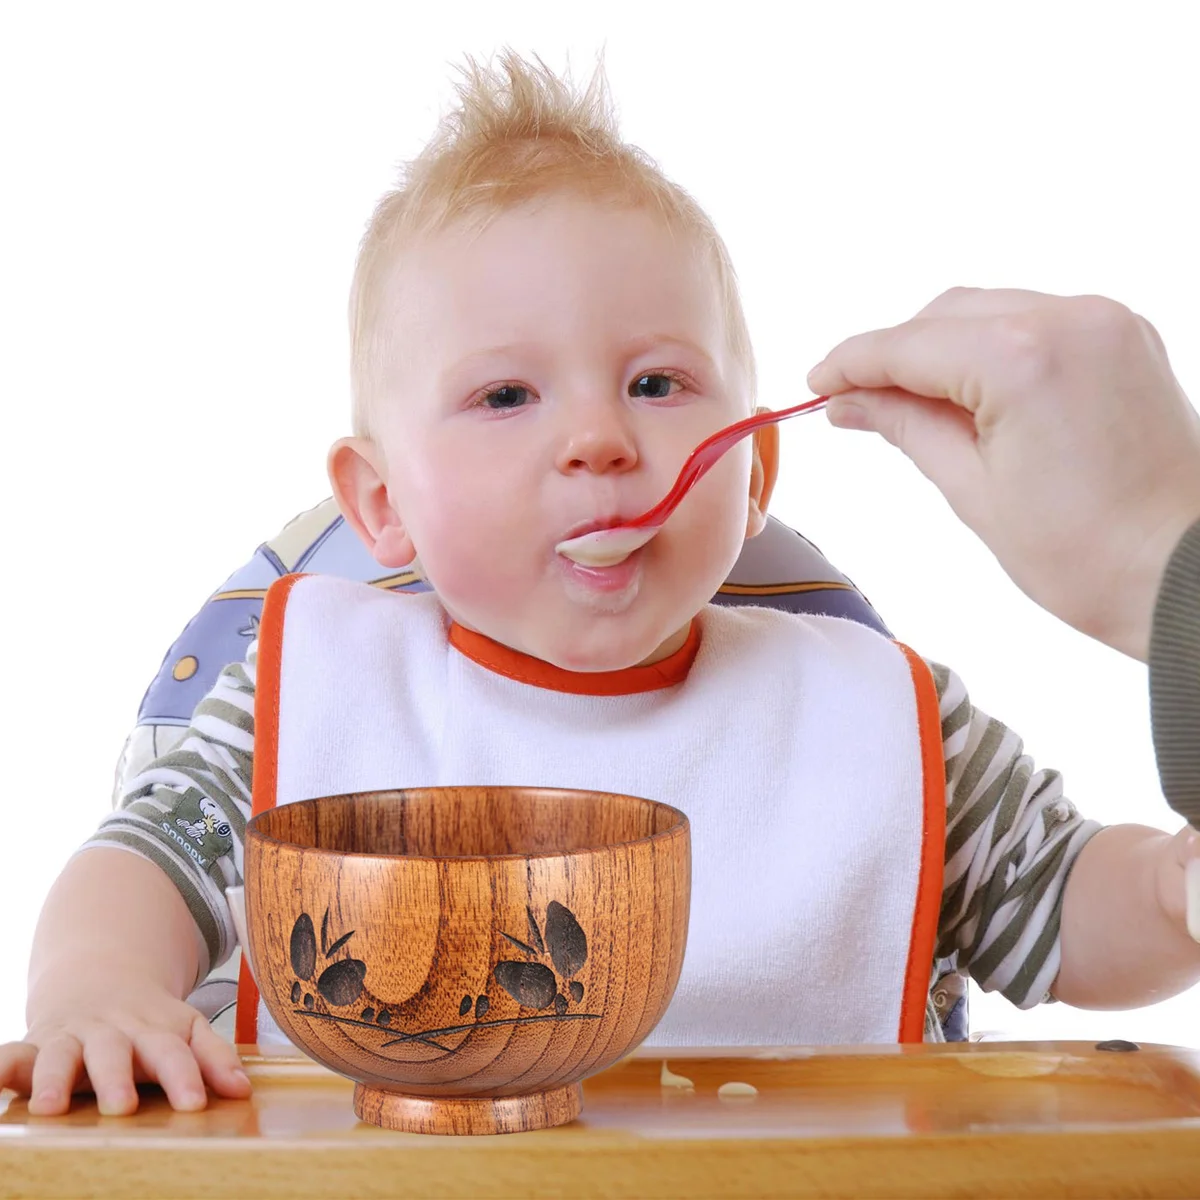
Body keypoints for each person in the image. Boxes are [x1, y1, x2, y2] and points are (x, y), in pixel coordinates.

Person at [3, 51, 1197, 1119]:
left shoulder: (883, 719)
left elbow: (1070, 908)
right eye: (506, 397)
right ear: (382, 506)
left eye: (659, 383)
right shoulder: (307, 687)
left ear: (756, 467)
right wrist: (96, 986)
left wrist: (1172, 892)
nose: (597, 440)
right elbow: (143, 863)